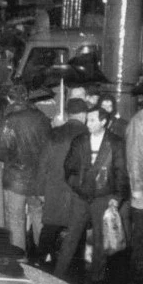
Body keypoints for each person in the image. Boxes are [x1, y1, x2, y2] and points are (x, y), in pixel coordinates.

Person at [54, 107, 128, 284]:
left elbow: (120, 172)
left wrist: (116, 198)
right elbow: (68, 167)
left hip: (103, 196)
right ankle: (57, 276)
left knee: (99, 240)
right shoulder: (80, 140)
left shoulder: (115, 143)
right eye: (88, 119)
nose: (88, 124)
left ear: (104, 122)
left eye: (93, 120)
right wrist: (76, 186)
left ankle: (96, 279)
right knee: (71, 236)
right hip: (81, 196)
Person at [0, 83, 51, 253]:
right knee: (38, 215)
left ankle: (19, 256)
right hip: (39, 178)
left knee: (16, 218)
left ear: (9, 99)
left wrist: (11, 159)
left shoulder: (9, 120)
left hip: (16, 179)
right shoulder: (42, 118)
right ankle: (44, 255)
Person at [38, 98, 89, 266]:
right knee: (77, 231)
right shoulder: (88, 134)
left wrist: (40, 190)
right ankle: (74, 267)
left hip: (55, 187)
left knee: (50, 228)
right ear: (84, 115)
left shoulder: (54, 133)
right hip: (78, 189)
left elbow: (43, 163)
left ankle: (40, 261)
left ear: (67, 114)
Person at [126, 93, 143, 284]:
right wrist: (137, 189)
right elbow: (134, 158)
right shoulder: (139, 122)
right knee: (142, 239)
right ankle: (140, 280)